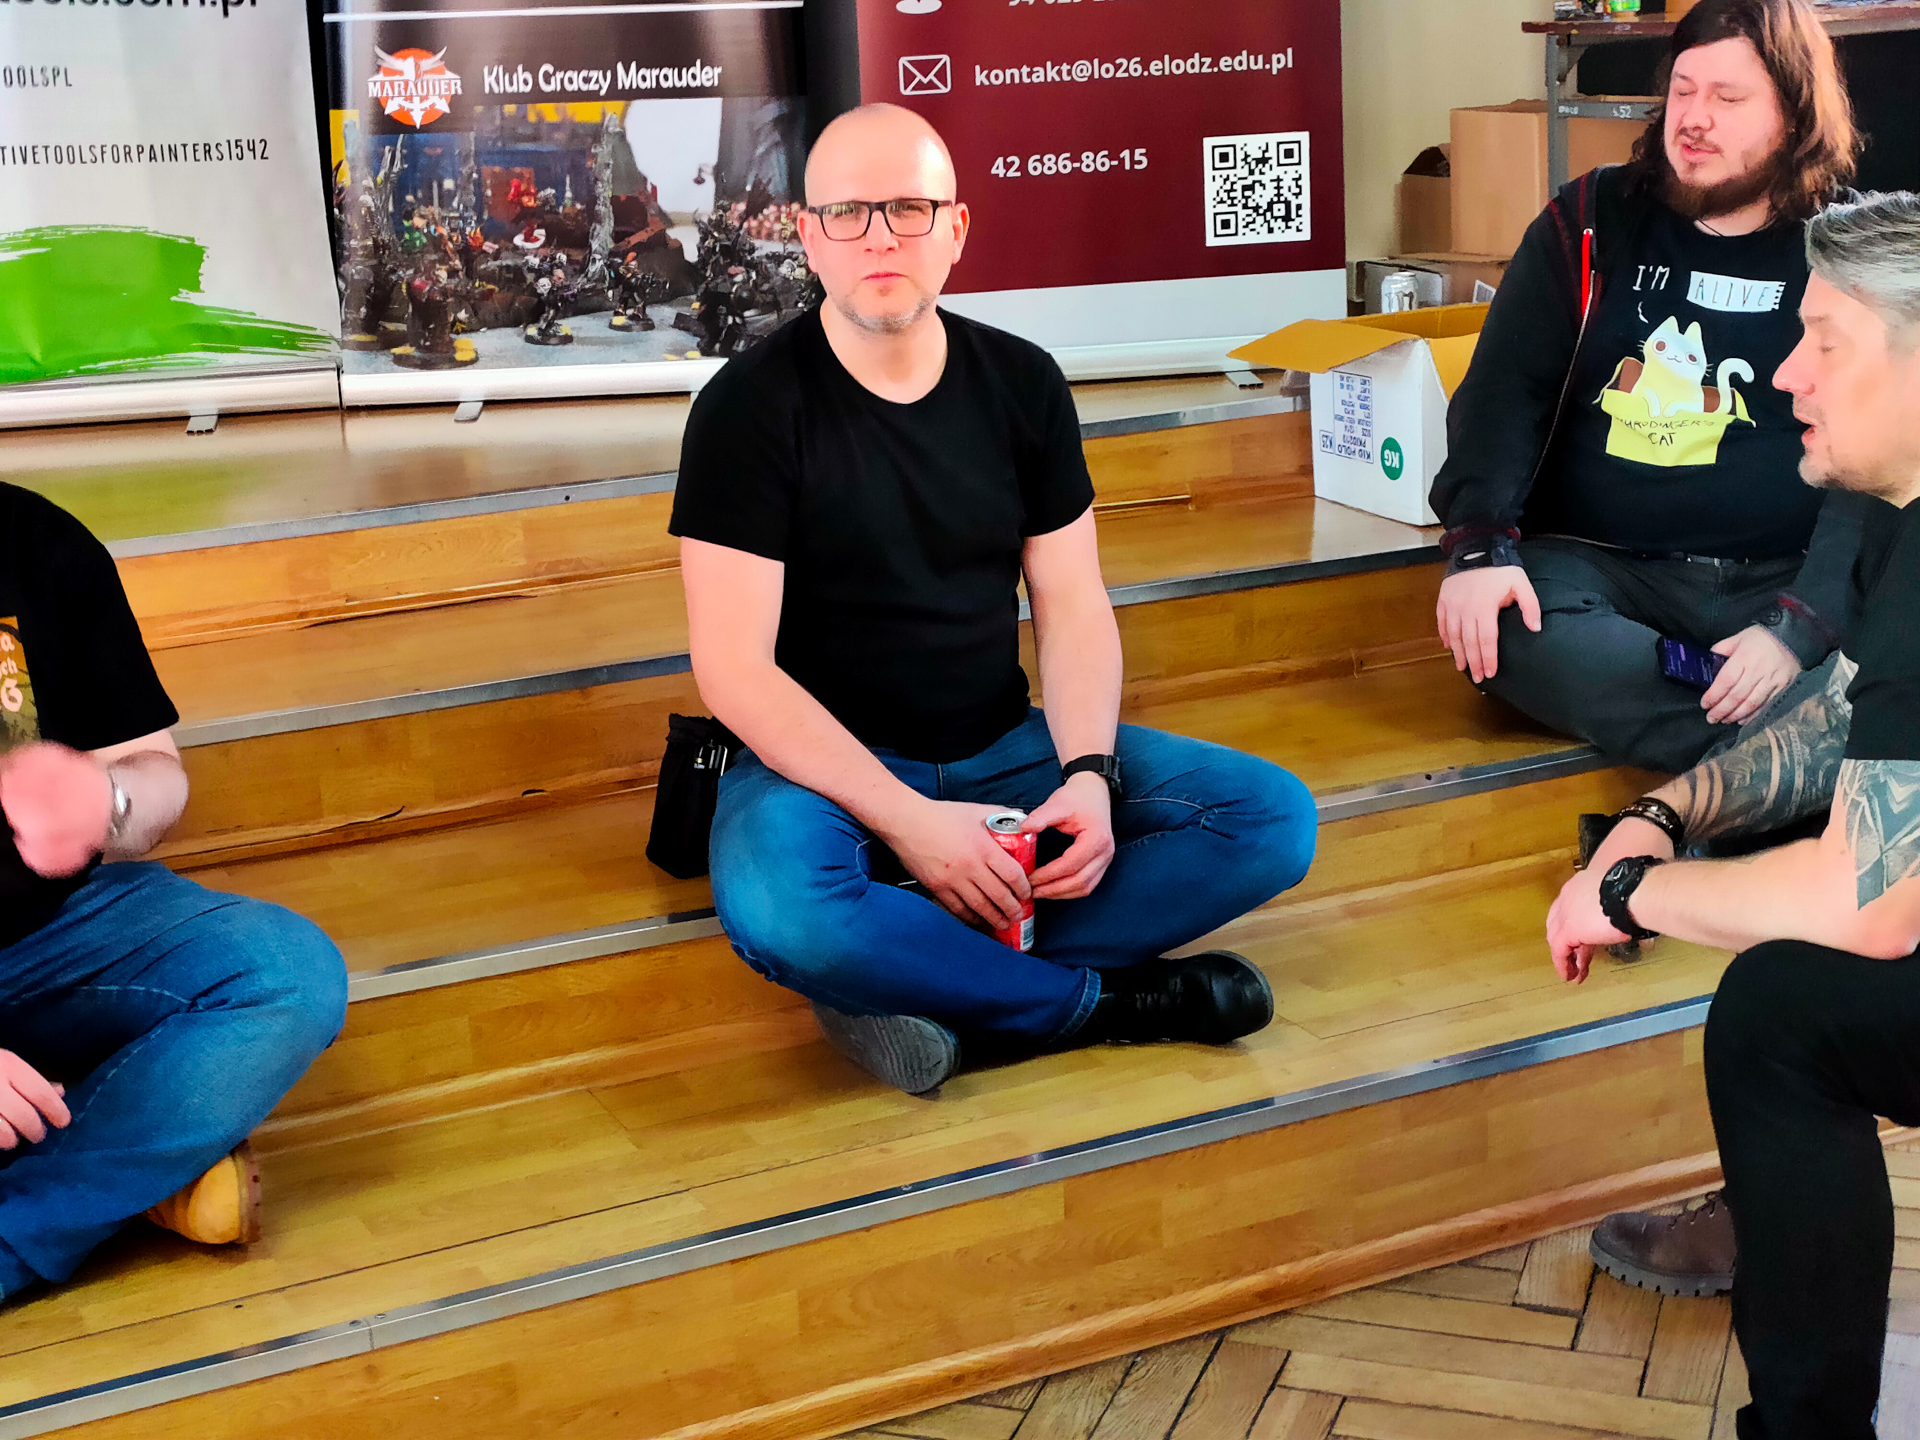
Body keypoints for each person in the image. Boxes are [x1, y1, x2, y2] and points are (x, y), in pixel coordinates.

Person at [668, 105, 1316, 1096]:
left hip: (1002, 747)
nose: (880, 237)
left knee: (1269, 820)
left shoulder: (1022, 383)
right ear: (808, 235)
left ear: (957, 229)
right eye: (847, 213)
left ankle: (913, 972)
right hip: (821, 774)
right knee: (784, 908)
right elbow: (734, 671)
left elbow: (1073, 604)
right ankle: (1098, 1005)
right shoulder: (745, 410)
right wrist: (911, 825)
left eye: (910, 209)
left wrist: (1090, 774)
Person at [1547, 192, 1920, 1439]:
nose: (1785, 370)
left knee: (1782, 1010)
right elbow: (1842, 714)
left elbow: (1864, 905)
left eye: (1826, 341)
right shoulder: (1899, 514)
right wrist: (1664, 813)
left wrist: (1625, 893)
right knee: (1789, 1008)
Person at [1432, 0, 1866, 774]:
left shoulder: (1850, 251)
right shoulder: (1590, 217)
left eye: (1728, 98)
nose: (1693, 119)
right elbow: (1502, 392)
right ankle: (1798, 752)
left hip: (1784, 574)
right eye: (1683, 91)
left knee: (1887, 629)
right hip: (1600, 570)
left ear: (1795, 114)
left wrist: (1798, 628)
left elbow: (1879, 457)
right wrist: (1478, 548)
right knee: (1505, 627)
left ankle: (1774, 742)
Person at [0, 486, 346, 1306]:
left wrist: (109, 801)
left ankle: (29, 1215)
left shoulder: (38, 538)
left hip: (47, 934)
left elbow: (153, 770)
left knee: (287, 974)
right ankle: (138, 1172)